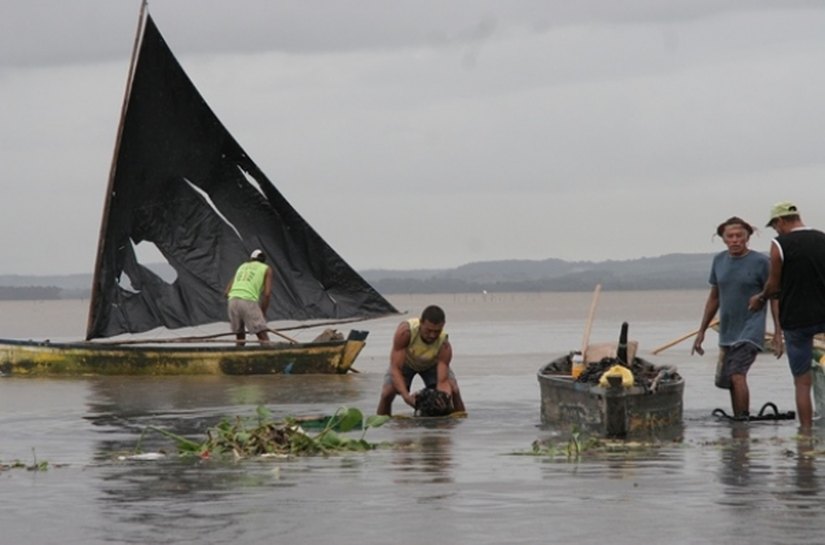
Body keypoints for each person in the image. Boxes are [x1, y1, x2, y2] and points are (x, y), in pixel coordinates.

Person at [692, 216, 782, 419]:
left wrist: (777, 332)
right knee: (727, 380)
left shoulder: (761, 262)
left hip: (751, 329)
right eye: (730, 236)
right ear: (723, 239)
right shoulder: (719, 261)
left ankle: (743, 421)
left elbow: (775, 296)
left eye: (739, 236)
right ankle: (738, 422)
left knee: (737, 374)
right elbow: (714, 298)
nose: (734, 240)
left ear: (747, 237)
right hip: (728, 330)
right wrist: (701, 332)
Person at [749, 201, 825, 430]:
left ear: (781, 221)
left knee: (802, 382)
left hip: (796, 320)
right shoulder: (822, 238)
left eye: (775, 226)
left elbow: (773, 285)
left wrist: (760, 298)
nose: (776, 231)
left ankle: (805, 432)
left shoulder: (779, 244)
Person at [376, 305, 466, 416]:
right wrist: (406, 397)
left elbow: (442, 381)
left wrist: (442, 398)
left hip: (432, 364)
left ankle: (461, 422)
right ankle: (382, 423)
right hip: (406, 363)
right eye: (428, 330)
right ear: (421, 323)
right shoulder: (405, 333)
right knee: (387, 392)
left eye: (437, 331)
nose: (432, 335)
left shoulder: (444, 345)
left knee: (454, 389)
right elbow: (396, 368)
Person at [224, 249, 273, 345]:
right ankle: (271, 357)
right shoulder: (266, 268)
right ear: (263, 260)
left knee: (240, 339)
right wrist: (262, 312)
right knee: (263, 336)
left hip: (233, 301)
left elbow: (226, 292)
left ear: (251, 259)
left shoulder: (242, 266)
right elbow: (267, 294)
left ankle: (238, 357)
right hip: (248, 301)